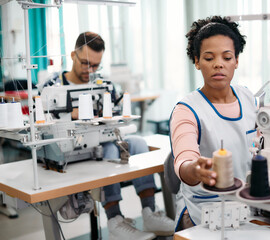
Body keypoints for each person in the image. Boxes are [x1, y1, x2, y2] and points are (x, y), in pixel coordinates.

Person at [42, 32, 174, 240]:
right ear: (72, 55)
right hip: (71, 152)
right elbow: (43, 121)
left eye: (96, 65)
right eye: (85, 63)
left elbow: (118, 113)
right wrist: (73, 114)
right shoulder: (53, 87)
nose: (90, 70)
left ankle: (149, 212)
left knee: (137, 143)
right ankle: (115, 220)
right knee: (110, 151)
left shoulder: (104, 85)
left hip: (104, 141)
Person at [169, 16, 257, 231]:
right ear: (197, 61)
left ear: (236, 60)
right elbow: (184, 160)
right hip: (205, 215)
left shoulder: (249, 98)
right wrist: (195, 170)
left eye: (227, 57)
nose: (219, 64)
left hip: (250, 207)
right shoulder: (187, 110)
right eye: (209, 58)